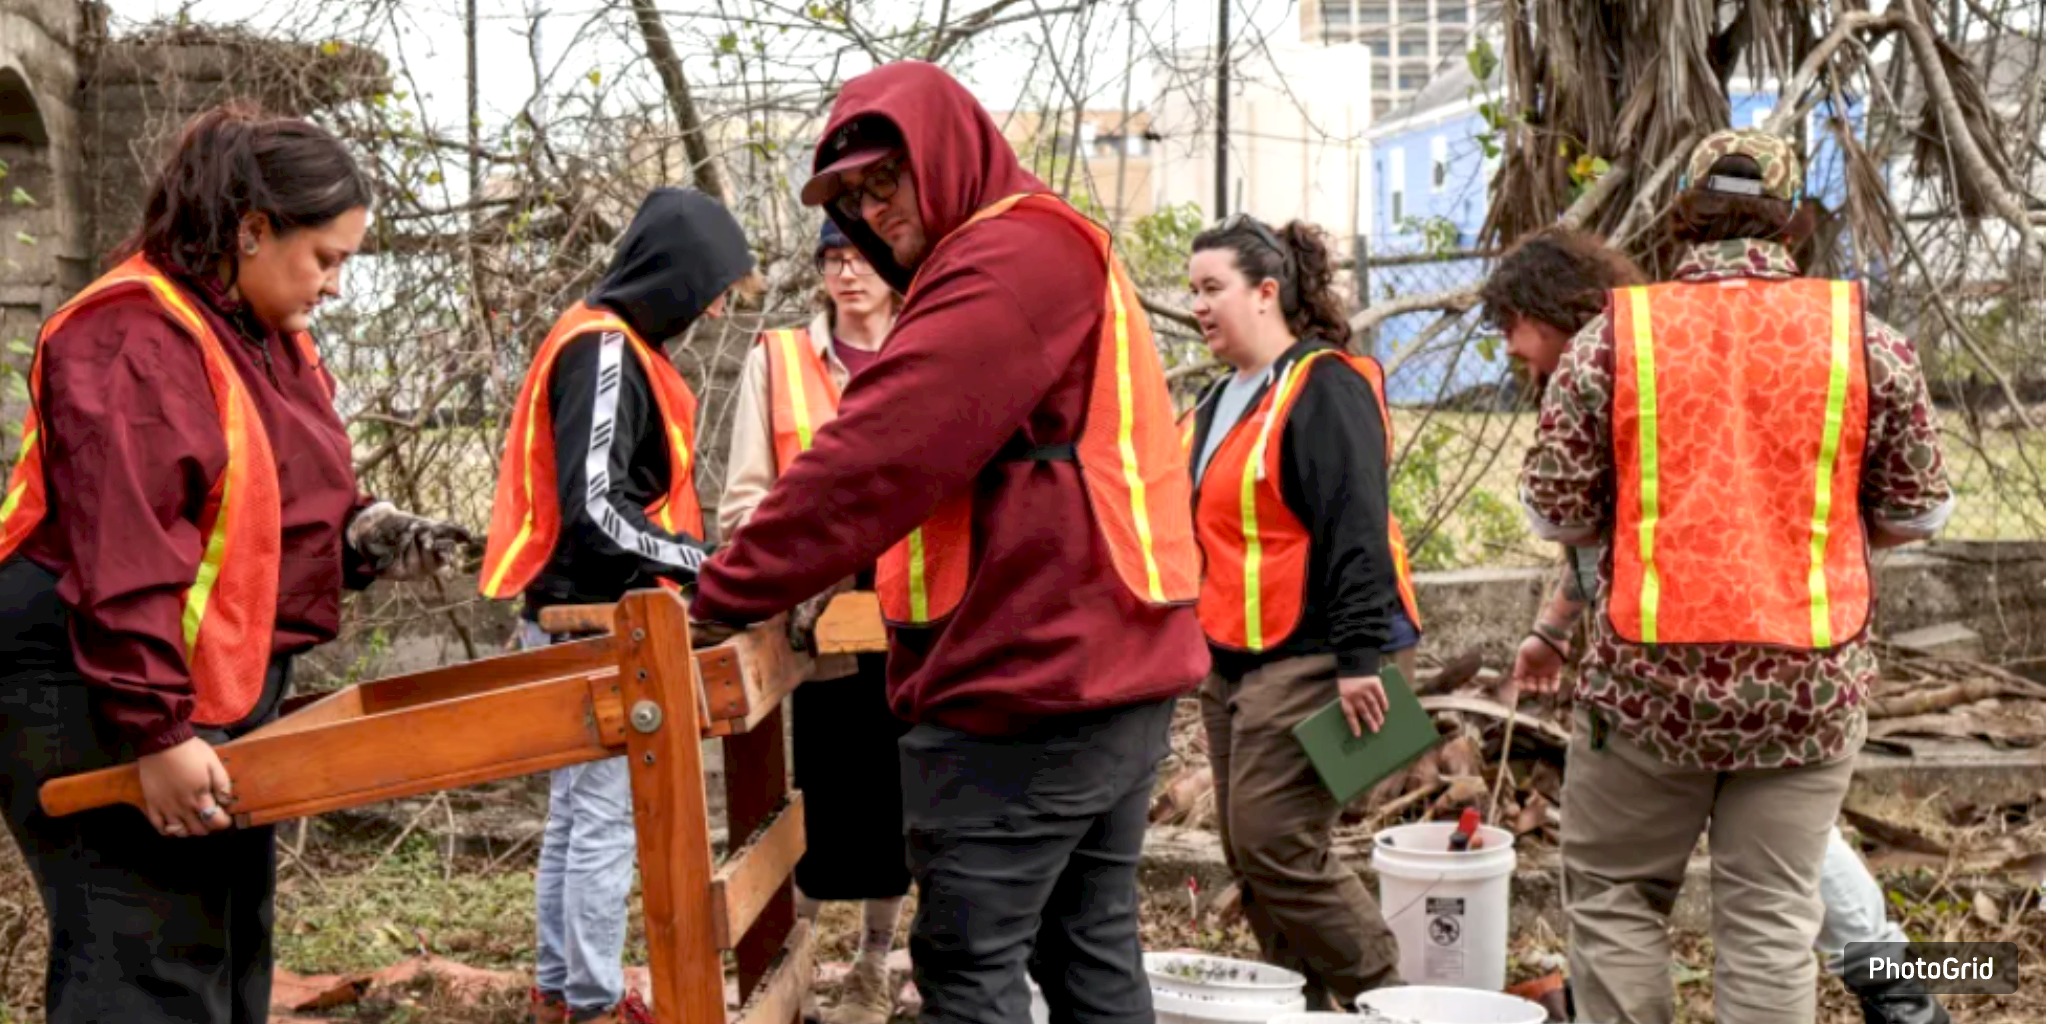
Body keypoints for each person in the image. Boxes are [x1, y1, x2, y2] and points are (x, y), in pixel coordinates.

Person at [690, 60, 1206, 1024]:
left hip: (1033, 684)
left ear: (946, 153)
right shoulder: (1023, 253)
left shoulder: (1011, 257)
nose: (873, 210)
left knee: (968, 969)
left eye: (887, 179)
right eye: (852, 198)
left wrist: (723, 594)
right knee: (1085, 956)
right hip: (1094, 671)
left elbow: (878, 454)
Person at [0, 103, 471, 1024]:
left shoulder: (264, 337)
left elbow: (274, 508)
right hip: (90, 672)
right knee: (148, 961)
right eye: (325, 259)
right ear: (252, 230)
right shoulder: (133, 333)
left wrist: (367, 535)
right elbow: (126, 547)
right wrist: (159, 733)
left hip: (191, 676)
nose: (334, 286)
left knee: (230, 941)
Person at [1513, 131, 1954, 1024]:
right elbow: (1918, 512)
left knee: (1616, 900)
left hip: (1647, 690)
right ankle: (1904, 993)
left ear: (1682, 218)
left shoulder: (1613, 343)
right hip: (1808, 687)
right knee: (1772, 919)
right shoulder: (1866, 342)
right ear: (1791, 225)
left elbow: (1556, 513)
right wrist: (1809, 536)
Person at [478, 187, 756, 1024]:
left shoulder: (612, 340)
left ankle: (562, 991)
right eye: (710, 290)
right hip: (590, 615)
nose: (713, 310)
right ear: (674, 275)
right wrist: (707, 564)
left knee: (577, 815)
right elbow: (596, 510)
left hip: (578, 610)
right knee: (602, 819)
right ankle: (592, 1002)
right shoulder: (605, 348)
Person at [1180, 214, 1417, 1010]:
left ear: (1266, 291)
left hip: (1320, 653)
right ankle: (1303, 1006)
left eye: (1213, 288)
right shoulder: (1219, 400)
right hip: (1235, 658)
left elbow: (1358, 528)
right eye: (1192, 291)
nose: (1199, 306)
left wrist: (1359, 660)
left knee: (1276, 838)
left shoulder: (1324, 386)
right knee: (1247, 850)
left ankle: (1386, 997)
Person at [717, 219, 907, 1024]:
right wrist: (801, 573)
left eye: (861, 257)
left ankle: (873, 967)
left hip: (917, 621)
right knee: (823, 801)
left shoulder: (929, 346)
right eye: (832, 258)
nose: (847, 273)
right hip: (820, 624)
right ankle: (789, 967)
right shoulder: (780, 358)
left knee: (902, 806)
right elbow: (744, 503)